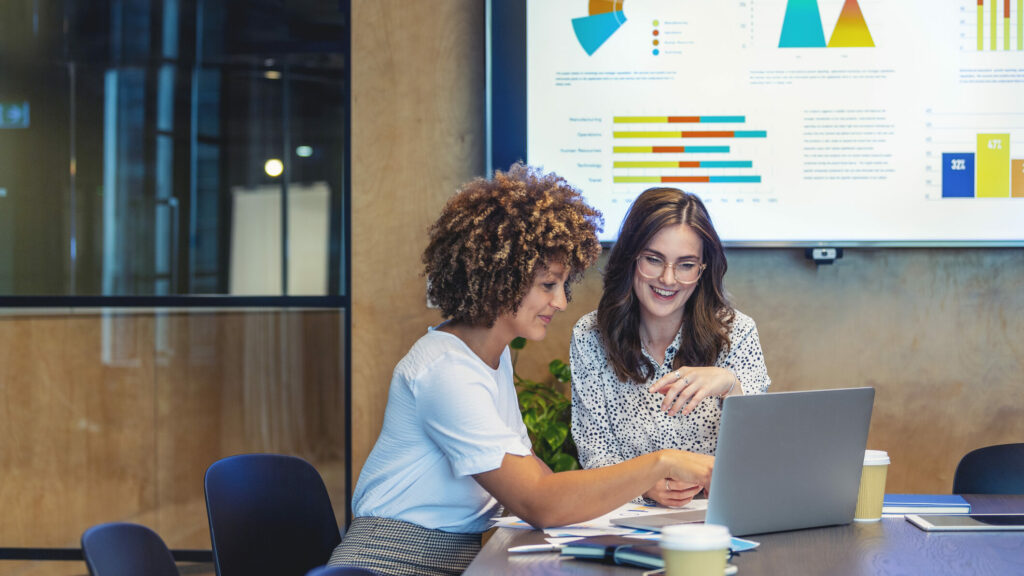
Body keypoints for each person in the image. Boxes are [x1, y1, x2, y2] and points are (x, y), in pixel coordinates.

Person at [328, 166, 714, 576]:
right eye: (547, 285)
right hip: (387, 563)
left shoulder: (489, 356)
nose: (561, 303)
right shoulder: (445, 370)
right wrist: (662, 463)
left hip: (455, 559)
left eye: (562, 286)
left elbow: (536, 478)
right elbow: (538, 500)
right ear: (500, 280)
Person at [570, 187, 770, 508]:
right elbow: (595, 450)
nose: (668, 279)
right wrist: (644, 487)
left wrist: (731, 386)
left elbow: (760, 453)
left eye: (686, 265)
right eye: (653, 260)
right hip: (626, 518)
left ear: (702, 270)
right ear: (630, 258)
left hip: (716, 518)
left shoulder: (737, 332)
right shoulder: (590, 336)